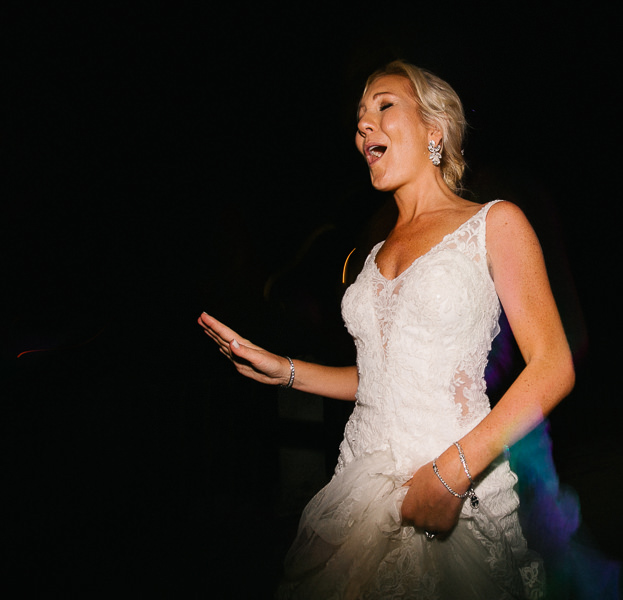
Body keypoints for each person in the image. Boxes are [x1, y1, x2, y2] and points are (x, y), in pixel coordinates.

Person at [198, 60, 575, 599]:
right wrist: (284, 371)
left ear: (434, 129)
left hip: (453, 482)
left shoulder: (495, 223)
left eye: (384, 106)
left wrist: (451, 472)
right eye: (359, 119)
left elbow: (553, 365)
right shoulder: (372, 257)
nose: (364, 126)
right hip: (360, 484)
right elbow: (379, 379)